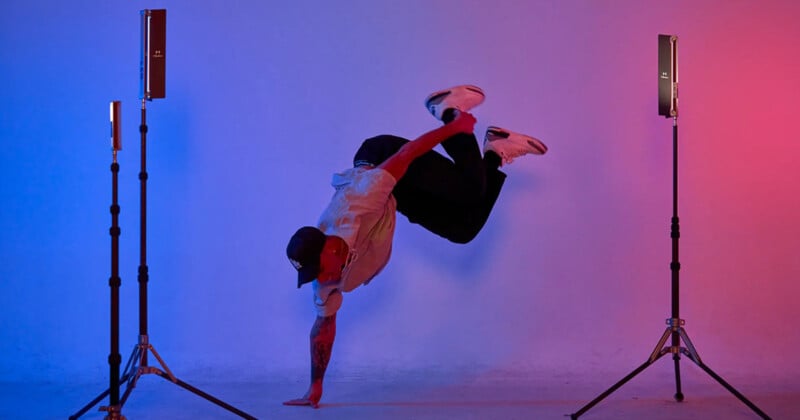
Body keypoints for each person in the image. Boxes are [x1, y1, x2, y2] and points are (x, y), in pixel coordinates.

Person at [283, 85, 547, 408]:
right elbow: (323, 327)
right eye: (313, 275)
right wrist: (315, 388)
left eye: (319, 269)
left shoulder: (356, 203)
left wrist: (453, 129)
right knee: (464, 229)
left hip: (382, 161)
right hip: (393, 195)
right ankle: (495, 149)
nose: (321, 279)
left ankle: (448, 108)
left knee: (469, 190)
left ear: (328, 248)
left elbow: (405, 156)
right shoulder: (323, 279)